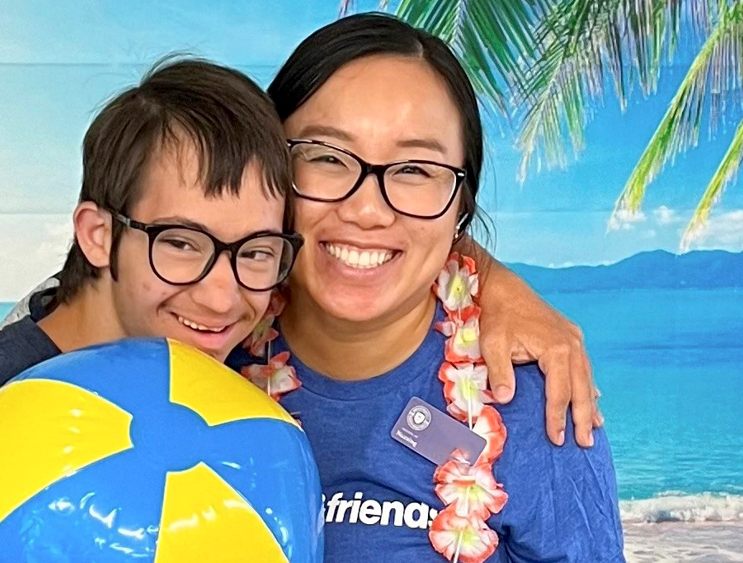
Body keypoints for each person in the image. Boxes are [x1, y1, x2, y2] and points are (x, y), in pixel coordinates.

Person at [0, 59, 304, 563]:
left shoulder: (234, 388)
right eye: (181, 243)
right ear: (99, 234)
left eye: (258, 251)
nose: (222, 297)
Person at [226, 13, 624, 561]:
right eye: (325, 157)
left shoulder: (533, 404)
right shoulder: (205, 347)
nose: (366, 209)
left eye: (415, 169)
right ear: (267, 166)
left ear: (461, 205)